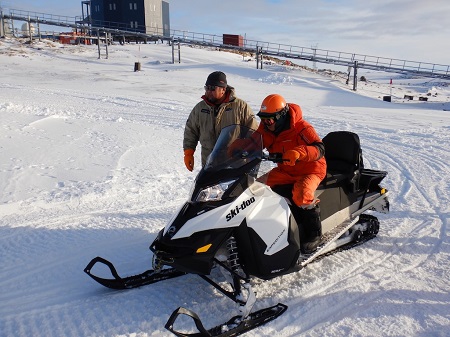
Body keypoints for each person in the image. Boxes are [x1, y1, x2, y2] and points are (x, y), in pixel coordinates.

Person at [256, 94, 327, 253]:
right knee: (254, 188)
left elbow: (319, 149)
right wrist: (238, 149)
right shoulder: (266, 128)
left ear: (281, 116)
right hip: (286, 170)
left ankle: (314, 234)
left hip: (311, 169)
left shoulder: (302, 128)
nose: (266, 123)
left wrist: (299, 152)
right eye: (263, 118)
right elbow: (254, 141)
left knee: (301, 195)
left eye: (270, 119)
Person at [183, 71, 258, 171]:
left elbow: (253, 132)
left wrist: (250, 151)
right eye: (207, 88)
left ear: (223, 89)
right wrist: (188, 152)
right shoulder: (200, 108)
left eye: (212, 88)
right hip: (209, 164)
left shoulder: (240, 107)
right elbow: (191, 131)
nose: (208, 91)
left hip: (234, 163)